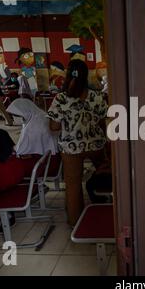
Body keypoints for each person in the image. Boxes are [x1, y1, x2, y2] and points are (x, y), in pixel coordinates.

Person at [48, 59, 108, 226]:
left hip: (70, 148)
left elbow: (53, 126)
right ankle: (109, 210)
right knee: (105, 175)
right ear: (86, 75)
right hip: (96, 144)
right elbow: (103, 122)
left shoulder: (60, 98)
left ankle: (76, 222)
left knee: (73, 185)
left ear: (68, 74)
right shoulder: (97, 96)